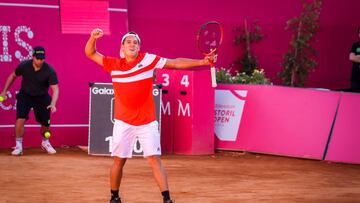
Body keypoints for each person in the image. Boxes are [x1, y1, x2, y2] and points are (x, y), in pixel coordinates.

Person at [85, 28, 215, 203]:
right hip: (123, 122)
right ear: (122, 47)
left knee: (155, 159)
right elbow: (90, 53)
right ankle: (114, 197)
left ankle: (167, 199)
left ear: (139, 47)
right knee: (119, 161)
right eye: (129, 42)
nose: (132, 44)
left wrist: (203, 62)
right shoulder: (112, 64)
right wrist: (93, 37)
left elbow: (175, 63)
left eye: (136, 42)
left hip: (147, 122)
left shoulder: (148, 60)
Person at [0, 46, 59, 156]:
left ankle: (45, 142)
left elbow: (55, 89)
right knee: (20, 118)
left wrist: (53, 103)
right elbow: (13, 76)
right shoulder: (24, 65)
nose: (40, 61)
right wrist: (4, 91)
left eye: (42, 58)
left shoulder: (49, 70)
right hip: (25, 95)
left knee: (46, 124)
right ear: (33, 57)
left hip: (42, 97)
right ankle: (18, 146)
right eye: (38, 58)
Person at [349, 26, 360, 92]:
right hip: (355, 78)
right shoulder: (355, 45)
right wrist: (355, 57)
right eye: (359, 32)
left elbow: (354, 57)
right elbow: (351, 57)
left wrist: (357, 56)